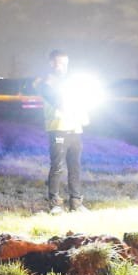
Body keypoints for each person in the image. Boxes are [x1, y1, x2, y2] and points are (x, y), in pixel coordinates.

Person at [36, 49, 90, 212]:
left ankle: (76, 202)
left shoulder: (71, 82)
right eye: (59, 63)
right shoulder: (45, 83)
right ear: (51, 63)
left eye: (65, 63)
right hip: (58, 129)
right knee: (57, 167)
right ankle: (55, 203)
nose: (62, 67)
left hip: (75, 129)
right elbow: (60, 103)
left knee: (75, 167)